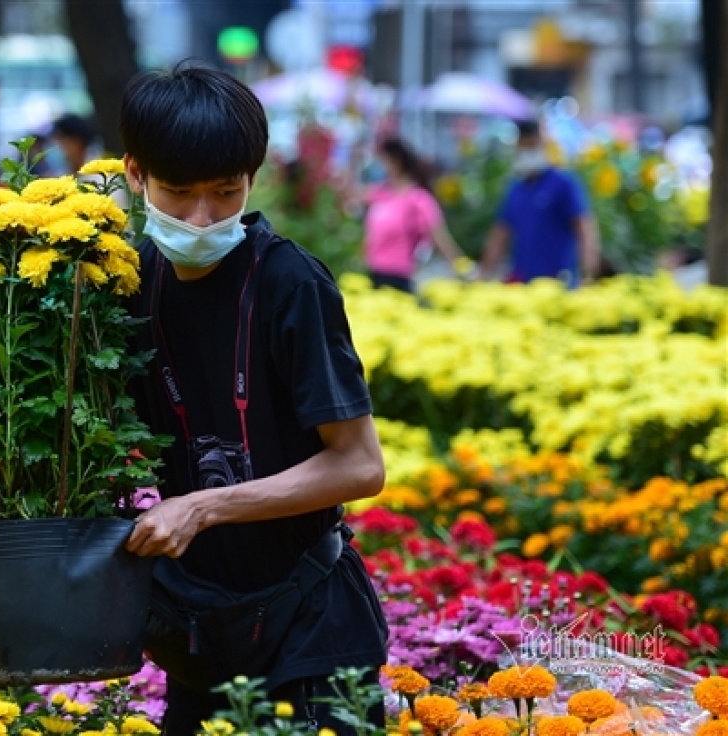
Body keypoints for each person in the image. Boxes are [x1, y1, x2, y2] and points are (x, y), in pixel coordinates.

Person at [120, 60, 389, 736]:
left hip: (311, 628)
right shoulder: (127, 281)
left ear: (253, 178)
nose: (204, 217)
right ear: (134, 174)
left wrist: (204, 506)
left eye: (226, 190)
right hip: (197, 633)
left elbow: (360, 467)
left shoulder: (290, 283)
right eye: (178, 192)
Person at [480, 120, 601, 287]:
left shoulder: (563, 184)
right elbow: (501, 233)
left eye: (532, 146)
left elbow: (584, 228)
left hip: (559, 283)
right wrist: (482, 274)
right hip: (523, 283)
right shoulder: (516, 189)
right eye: (523, 146)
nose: (527, 152)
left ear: (543, 146)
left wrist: (588, 275)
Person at [362, 137, 467, 293]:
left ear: (396, 161)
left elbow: (439, 238)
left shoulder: (418, 199)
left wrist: (462, 268)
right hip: (374, 271)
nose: (380, 167)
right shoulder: (380, 194)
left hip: (399, 275)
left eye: (383, 161)